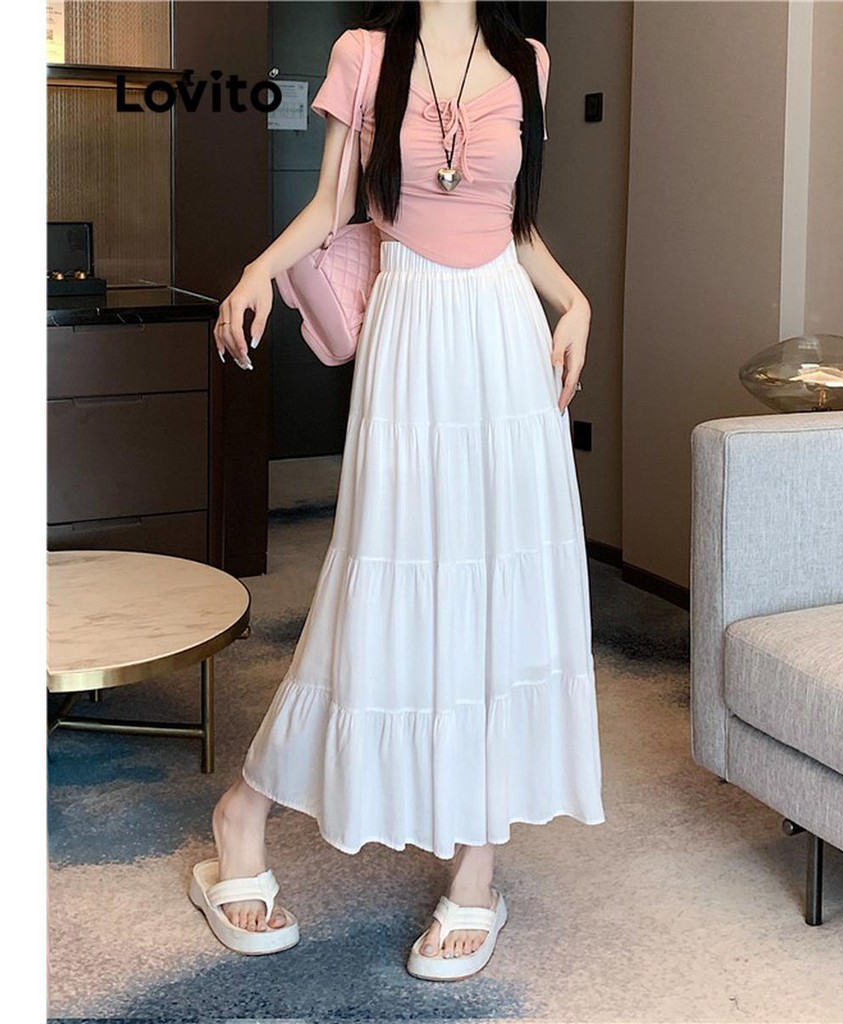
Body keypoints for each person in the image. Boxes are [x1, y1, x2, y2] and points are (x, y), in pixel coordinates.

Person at [188, 0, 605, 981]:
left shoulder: (527, 60)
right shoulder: (365, 53)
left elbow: (513, 224)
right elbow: (333, 205)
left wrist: (574, 299)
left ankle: (478, 869)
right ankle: (242, 813)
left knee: (503, 589)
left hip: (506, 339)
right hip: (412, 329)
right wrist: (259, 269)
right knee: (378, 583)